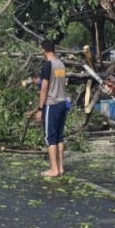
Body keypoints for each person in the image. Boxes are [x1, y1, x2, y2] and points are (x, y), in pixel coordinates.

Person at [35, 38, 69, 177]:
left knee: (50, 137)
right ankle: (60, 168)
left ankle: (54, 170)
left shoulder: (47, 65)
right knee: (59, 137)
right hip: (63, 103)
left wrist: (40, 109)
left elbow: (44, 89)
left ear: (43, 50)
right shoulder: (61, 64)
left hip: (52, 104)